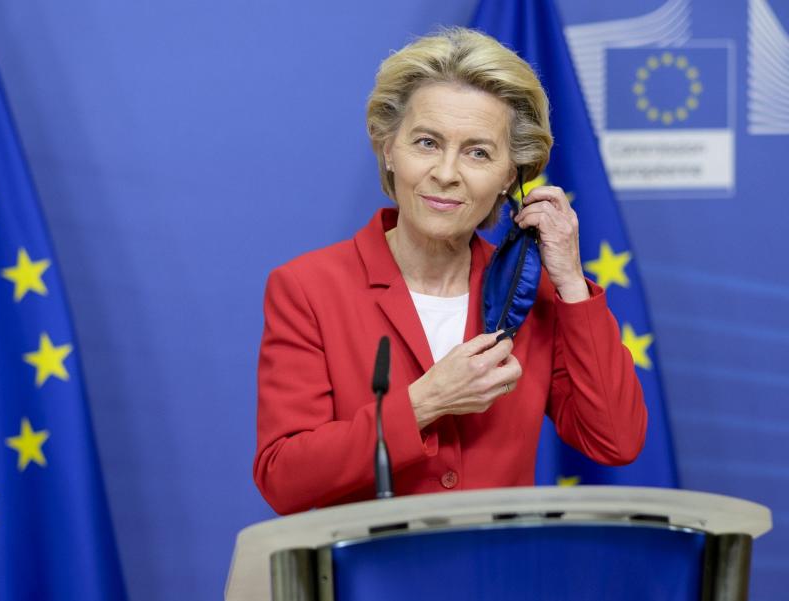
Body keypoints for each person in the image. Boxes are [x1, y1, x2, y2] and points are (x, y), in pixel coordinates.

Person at [253, 28, 647, 516]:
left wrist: (568, 281)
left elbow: (616, 440)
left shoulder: (536, 293)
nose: (446, 172)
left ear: (511, 176)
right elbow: (284, 479)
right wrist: (424, 403)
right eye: (426, 142)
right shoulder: (308, 288)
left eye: (478, 152)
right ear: (387, 148)